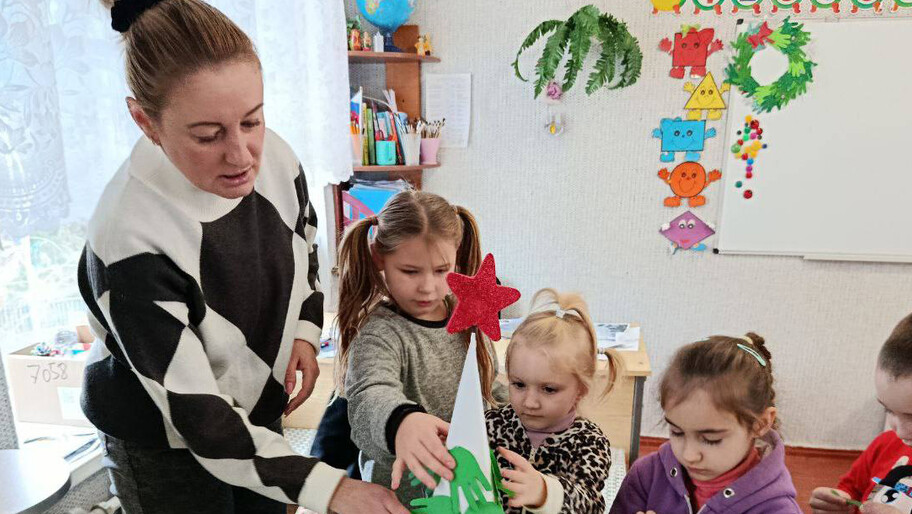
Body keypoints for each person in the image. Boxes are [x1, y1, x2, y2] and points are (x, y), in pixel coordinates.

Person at [78, 1, 406, 512]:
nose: (241, 155)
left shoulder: (276, 157)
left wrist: (304, 329)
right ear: (145, 121)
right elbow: (202, 420)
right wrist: (332, 489)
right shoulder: (128, 236)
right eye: (207, 135)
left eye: (251, 120)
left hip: (254, 406)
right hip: (163, 440)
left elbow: (306, 245)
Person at [338, 190, 506, 504]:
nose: (428, 287)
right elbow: (369, 394)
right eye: (410, 271)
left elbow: (488, 386)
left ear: (457, 255)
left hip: (469, 491)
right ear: (379, 257)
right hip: (403, 500)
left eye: (441, 270)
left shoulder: (469, 314)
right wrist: (402, 422)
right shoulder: (378, 333)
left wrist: (526, 409)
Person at [610, 333, 801, 514]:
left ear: (761, 423)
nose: (689, 455)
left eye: (711, 439)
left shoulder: (777, 508)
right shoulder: (646, 475)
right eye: (677, 432)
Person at [486, 289, 620, 513]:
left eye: (548, 389)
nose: (530, 402)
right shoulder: (491, 425)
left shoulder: (589, 442)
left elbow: (589, 505)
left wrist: (545, 493)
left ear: (581, 390)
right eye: (519, 384)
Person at [810, 313, 912, 514]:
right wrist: (838, 505)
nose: (899, 431)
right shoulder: (884, 445)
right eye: (889, 410)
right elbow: (852, 491)